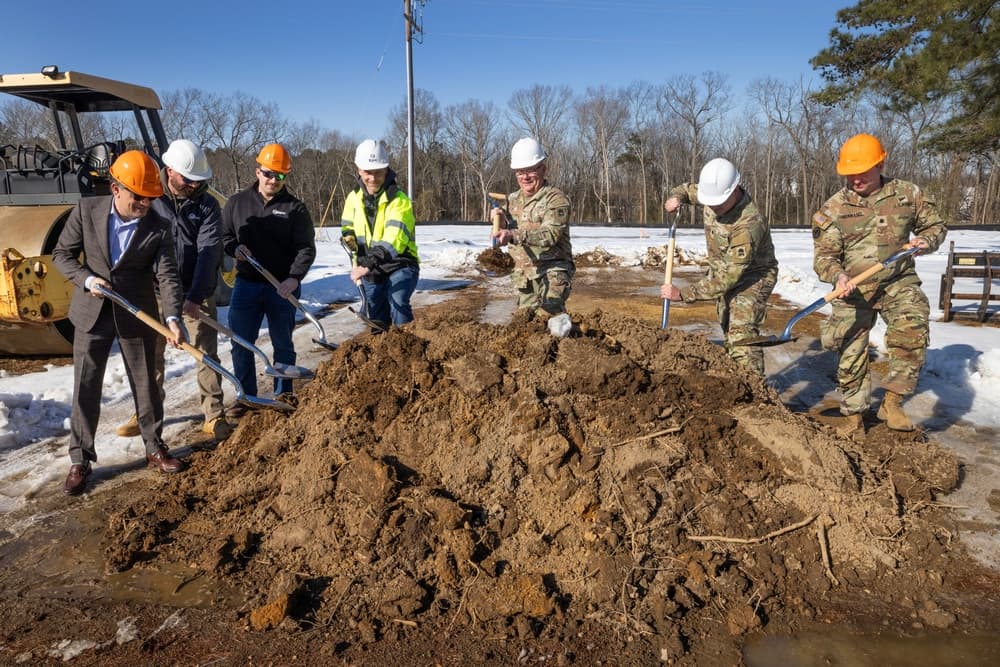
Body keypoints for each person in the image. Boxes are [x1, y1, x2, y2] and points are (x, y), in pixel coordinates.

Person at [52, 150, 187, 496]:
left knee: (146, 384)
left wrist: (173, 317)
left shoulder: (159, 226)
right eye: (138, 196)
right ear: (116, 188)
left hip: (136, 312)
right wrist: (87, 280)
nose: (145, 204)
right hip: (92, 311)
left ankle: (154, 447)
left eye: (150, 197)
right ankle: (80, 459)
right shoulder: (86, 211)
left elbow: (168, 275)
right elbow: (61, 255)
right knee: (86, 386)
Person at [813, 133, 947, 433]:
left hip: (897, 280)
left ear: (880, 165)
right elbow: (824, 256)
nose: (855, 179)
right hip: (853, 287)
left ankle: (892, 402)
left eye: (862, 172)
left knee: (912, 326)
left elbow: (935, 225)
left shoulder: (907, 194)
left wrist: (926, 240)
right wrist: (837, 276)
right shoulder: (834, 208)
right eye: (850, 173)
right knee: (849, 346)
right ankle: (853, 414)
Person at [115, 140, 231, 440]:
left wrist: (195, 296)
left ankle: (213, 415)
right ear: (170, 171)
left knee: (205, 352)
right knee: (150, 353)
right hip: (153, 289)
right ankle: (147, 411)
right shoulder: (150, 198)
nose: (194, 185)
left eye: (198, 180)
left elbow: (209, 252)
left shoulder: (207, 205)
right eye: (188, 180)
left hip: (195, 287)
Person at [222, 143, 316, 418]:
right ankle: (246, 395)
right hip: (246, 284)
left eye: (280, 175)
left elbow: (306, 248)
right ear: (258, 171)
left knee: (282, 343)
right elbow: (225, 236)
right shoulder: (237, 203)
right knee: (241, 342)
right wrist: (234, 248)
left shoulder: (295, 208)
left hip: (281, 287)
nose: (273, 180)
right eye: (268, 174)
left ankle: (283, 394)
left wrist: (294, 278)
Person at [660, 158, 778, 376]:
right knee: (726, 324)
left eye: (719, 203)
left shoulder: (749, 224)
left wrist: (684, 294)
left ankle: (754, 388)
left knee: (741, 333)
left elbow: (729, 277)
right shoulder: (713, 192)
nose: (713, 207)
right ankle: (736, 377)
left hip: (753, 276)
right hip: (722, 269)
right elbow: (686, 190)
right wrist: (676, 198)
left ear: (734, 189)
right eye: (710, 202)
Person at [490, 137, 575, 317]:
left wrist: (513, 234)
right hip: (525, 277)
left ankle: (563, 329)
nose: (525, 177)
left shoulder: (556, 199)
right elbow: (501, 236)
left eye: (531, 170)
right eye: (520, 172)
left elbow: (550, 235)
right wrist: (500, 222)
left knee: (548, 315)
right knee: (525, 324)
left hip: (552, 272)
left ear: (543, 169)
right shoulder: (512, 200)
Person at [340, 139, 420, 327]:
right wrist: (349, 237)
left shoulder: (399, 200)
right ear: (359, 170)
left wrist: (368, 263)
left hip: (400, 263)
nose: (373, 178)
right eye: (368, 172)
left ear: (386, 169)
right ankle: (380, 342)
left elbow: (394, 239)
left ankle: (408, 341)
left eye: (378, 172)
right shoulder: (353, 197)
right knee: (376, 312)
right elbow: (347, 224)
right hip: (371, 268)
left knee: (398, 300)